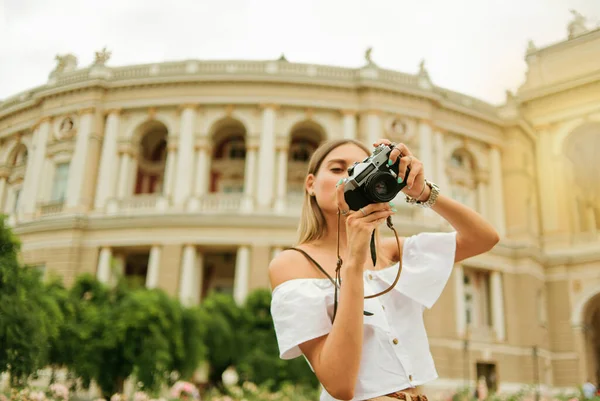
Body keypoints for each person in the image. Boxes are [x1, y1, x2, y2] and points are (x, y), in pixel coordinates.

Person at [269, 138, 500, 401]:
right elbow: (340, 385)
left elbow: (484, 238)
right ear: (310, 184)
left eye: (359, 168)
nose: (348, 178)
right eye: (337, 169)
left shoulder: (391, 251)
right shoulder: (292, 263)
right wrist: (354, 263)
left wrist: (422, 192)